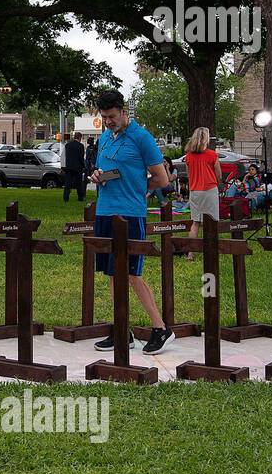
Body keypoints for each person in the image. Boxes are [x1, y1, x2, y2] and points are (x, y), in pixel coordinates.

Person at [88, 89, 173, 355]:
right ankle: (122, 330)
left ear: (123, 112)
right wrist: (98, 176)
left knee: (132, 274)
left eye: (112, 116)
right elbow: (113, 171)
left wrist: (141, 189)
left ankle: (161, 328)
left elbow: (163, 179)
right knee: (113, 275)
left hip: (131, 215)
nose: (108, 121)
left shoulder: (141, 137)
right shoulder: (104, 138)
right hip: (105, 211)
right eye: (104, 117)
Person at [183, 126, 222, 254]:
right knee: (211, 222)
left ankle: (190, 252)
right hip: (209, 189)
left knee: (195, 222)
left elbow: (189, 175)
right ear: (206, 138)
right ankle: (211, 250)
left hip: (194, 190)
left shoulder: (188, 156)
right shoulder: (212, 155)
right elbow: (219, 174)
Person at [62, 131, 86, 203]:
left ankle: (66, 198)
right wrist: (83, 166)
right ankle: (80, 198)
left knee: (68, 183)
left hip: (68, 167)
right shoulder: (81, 146)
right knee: (79, 183)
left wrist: (63, 166)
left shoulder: (67, 145)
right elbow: (81, 157)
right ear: (79, 137)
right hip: (77, 167)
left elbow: (64, 156)